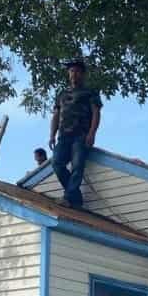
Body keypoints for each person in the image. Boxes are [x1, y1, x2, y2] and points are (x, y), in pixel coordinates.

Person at [49, 59, 102, 207]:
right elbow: (56, 115)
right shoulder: (62, 94)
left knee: (77, 166)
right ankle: (75, 197)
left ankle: (68, 197)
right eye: (71, 71)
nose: (74, 74)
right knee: (57, 163)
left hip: (81, 135)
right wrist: (52, 135)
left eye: (77, 71)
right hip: (64, 136)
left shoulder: (89, 93)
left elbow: (96, 113)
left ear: (83, 74)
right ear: (68, 74)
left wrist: (92, 133)